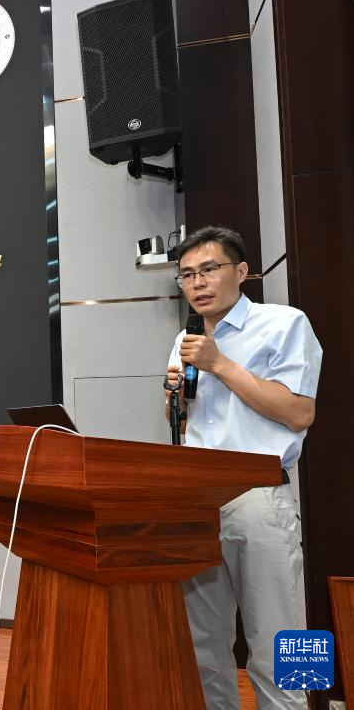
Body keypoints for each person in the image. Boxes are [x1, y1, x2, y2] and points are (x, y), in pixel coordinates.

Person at [164, 225, 322, 710]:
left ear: (242, 271)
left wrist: (220, 364)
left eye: (209, 269)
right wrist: (172, 397)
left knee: (282, 640)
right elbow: (185, 420)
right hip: (198, 500)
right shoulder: (186, 337)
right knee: (203, 645)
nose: (198, 283)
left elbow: (300, 413)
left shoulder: (285, 322)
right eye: (187, 274)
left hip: (259, 496)